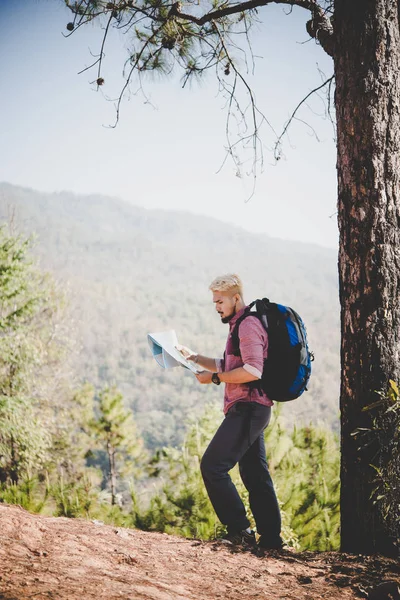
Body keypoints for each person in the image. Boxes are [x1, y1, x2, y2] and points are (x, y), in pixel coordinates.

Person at [178, 274, 283, 550]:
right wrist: (194, 357)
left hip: (249, 408)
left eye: (220, 301)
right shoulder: (239, 324)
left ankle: (240, 531)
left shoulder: (248, 325)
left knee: (213, 466)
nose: (216, 307)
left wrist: (214, 379)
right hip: (252, 408)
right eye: (214, 301)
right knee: (255, 475)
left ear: (236, 298)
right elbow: (230, 363)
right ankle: (271, 540)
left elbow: (252, 370)